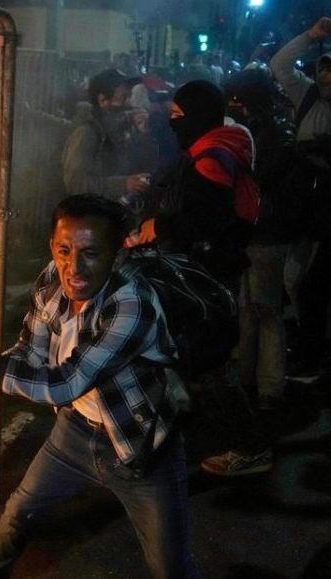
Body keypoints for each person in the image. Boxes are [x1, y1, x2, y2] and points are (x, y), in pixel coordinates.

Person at [0, 194, 198, 579]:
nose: (75, 267)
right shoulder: (53, 279)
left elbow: (66, 383)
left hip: (139, 446)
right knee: (17, 515)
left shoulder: (132, 303)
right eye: (64, 249)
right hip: (75, 433)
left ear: (117, 253)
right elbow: (32, 351)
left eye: (91, 252)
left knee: (170, 567)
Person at [137, 80, 273, 477]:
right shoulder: (220, 144)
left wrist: (159, 225)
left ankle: (250, 446)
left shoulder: (212, 158)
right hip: (209, 271)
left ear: (197, 116)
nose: (172, 123)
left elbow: (205, 222)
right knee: (190, 353)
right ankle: (175, 422)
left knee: (210, 361)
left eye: (178, 117)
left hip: (207, 275)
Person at [224, 69, 298, 412]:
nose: (234, 105)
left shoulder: (264, 135)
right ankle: (251, 381)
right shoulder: (277, 129)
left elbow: (258, 181)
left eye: (238, 99)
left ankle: (268, 387)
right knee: (250, 309)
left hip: (265, 233)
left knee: (263, 310)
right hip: (265, 231)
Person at [270, 17, 331, 382]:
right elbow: (279, 65)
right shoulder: (306, 94)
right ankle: (313, 346)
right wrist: (311, 36)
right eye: (323, 69)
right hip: (305, 204)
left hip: (326, 207)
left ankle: (315, 353)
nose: (326, 77)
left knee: (313, 284)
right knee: (296, 278)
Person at [61, 68, 155, 207]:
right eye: (124, 97)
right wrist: (123, 184)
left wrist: (144, 135)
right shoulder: (86, 133)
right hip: (95, 216)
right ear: (103, 100)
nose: (130, 103)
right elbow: (76, 184)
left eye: (130, 94)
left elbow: (143, 167)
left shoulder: (125, 130)